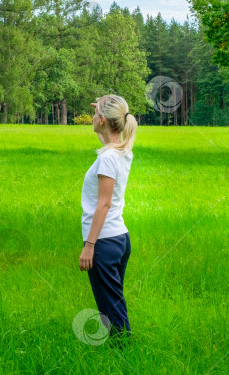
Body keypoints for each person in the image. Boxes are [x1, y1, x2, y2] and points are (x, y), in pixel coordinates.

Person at [78, 94, 137, 343]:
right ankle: (116, 349)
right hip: (119, 240)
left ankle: (123, 352)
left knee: (112, 308)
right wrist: (106, 108)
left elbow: (103, 204)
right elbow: (110, 136)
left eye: (95, 116)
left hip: (104, 242)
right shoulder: (121, 152)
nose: (91, 118)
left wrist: (89, 245)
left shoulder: (107, 158)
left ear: (102, 120)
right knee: (112, 303)